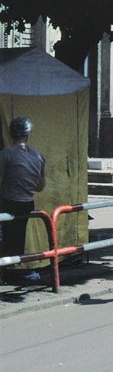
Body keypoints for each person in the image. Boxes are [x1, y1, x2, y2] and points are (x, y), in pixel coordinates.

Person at [1, 117, 47, 285]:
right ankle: (14, 269)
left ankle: (5, 273)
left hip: (8, 203)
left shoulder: (5, 154)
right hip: (27, 204)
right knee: (18, 237)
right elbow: (40, 187)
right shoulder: (38, 156)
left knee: (5, 239)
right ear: (28, 135)